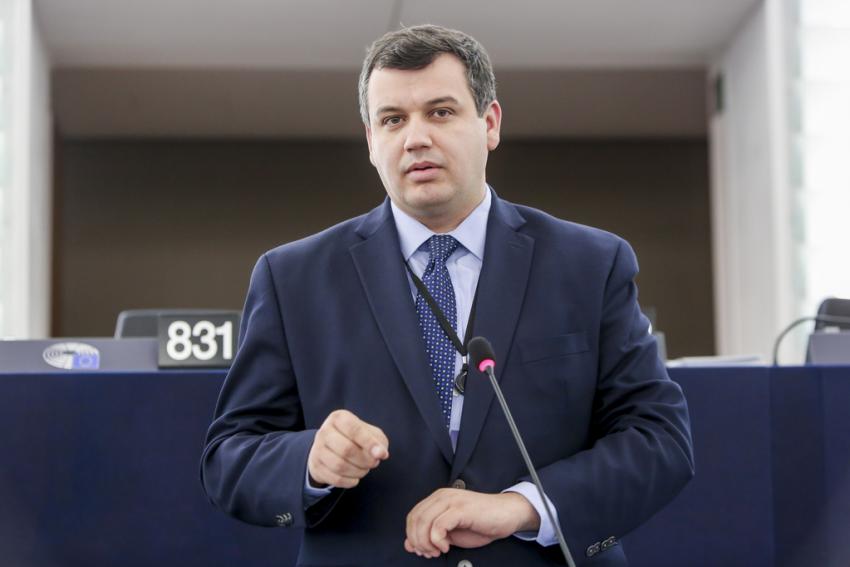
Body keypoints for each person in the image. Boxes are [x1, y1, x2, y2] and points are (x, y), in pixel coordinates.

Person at [200, 24, 693, 566]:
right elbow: (229, 459)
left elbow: (659, 439)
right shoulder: (292, 277)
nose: (415, 138)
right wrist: (309, 461)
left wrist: (522, 507)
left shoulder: (591, 264)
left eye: (440, 112)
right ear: (371, 141)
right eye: (393, 119)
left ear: (490, 123)